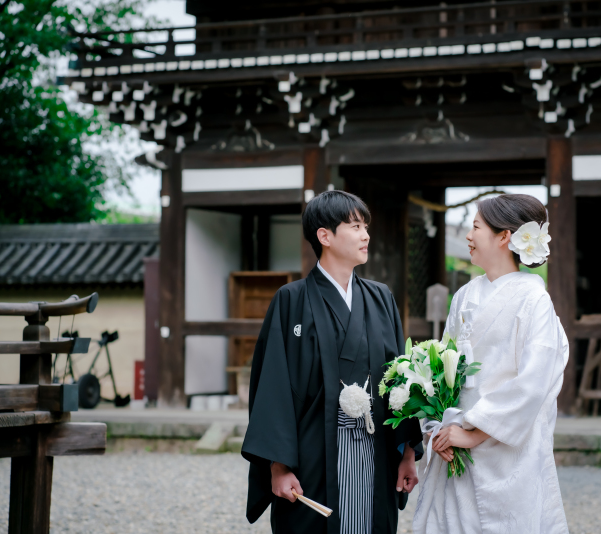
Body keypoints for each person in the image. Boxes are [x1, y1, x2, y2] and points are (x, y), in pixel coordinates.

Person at [242, 190, 423, 534]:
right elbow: (273, 387)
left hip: (375, 449)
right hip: (313, 454)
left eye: (365, 226)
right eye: (355, 226)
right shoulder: (291, 300)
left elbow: (400, 381)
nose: (365, 235)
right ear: (324, 236)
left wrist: (407, 454)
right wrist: (278, 466)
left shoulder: (381, 297)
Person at [413, 194, 570, 534]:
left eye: (476, 227)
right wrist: (438, 428)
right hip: (456, 437)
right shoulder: (464, 296)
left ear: (504, 236)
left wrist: (474, 433)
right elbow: (442, 370)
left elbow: (533, 384)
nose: (468, 236)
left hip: (505, 446)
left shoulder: (535, 300)